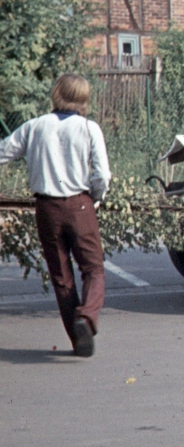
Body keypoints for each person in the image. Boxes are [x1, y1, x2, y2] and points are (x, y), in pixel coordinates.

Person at [0, 74, 111, 357]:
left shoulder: (35, 126)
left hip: (46, 209)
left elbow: (4, 151)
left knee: (62, 277)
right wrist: (97, 197)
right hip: (80, 205)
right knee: (93, 268)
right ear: (85, 99)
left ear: (56, 94)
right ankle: (86, 318)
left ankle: (78, 340)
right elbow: (102, 174)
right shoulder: (88, 128)